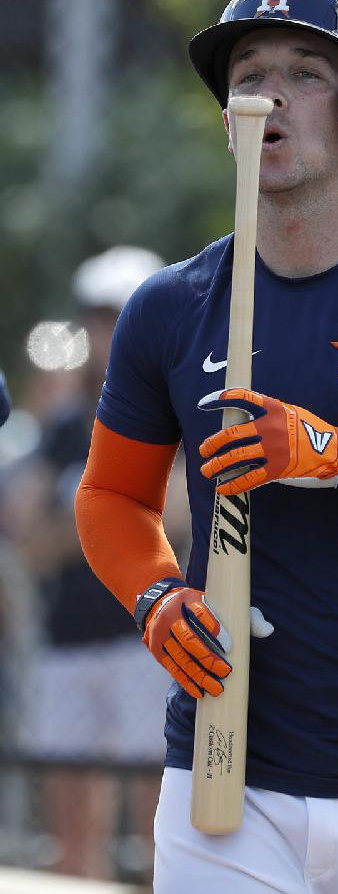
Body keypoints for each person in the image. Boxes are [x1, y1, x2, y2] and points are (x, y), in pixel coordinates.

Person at [74, 0, 338, 894]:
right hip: (222, 781)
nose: (266, 93)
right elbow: (110, 496)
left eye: (305, 71)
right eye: (248, 73)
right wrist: (153, 597)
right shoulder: (171, 309)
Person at [13, 245, 173, 881]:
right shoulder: (64, 426)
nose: (110, 331)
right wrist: (116, 518)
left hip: (151, 642)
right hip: (69, 643)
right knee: (72, 831)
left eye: (122, 315)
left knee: (163, 822)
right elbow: (29, 542)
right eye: (100, 317)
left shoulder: (177, 409)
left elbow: (182, 517)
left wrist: (90, 519)